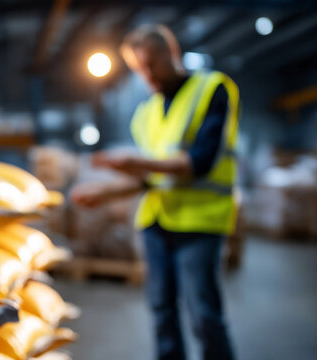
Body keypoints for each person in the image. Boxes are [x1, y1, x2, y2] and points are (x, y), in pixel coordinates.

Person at [71, 24, 239, 360]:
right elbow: (150, 179)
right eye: (139, 69)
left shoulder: (212, 89)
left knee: (204, 314)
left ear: (171, 53)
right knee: (162, 312)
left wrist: (135, 159)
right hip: (157, 222)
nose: (148, 76)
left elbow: (200, 161)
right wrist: (104, 194)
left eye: (152, 65)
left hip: (200, 222)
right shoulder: (146, 114)